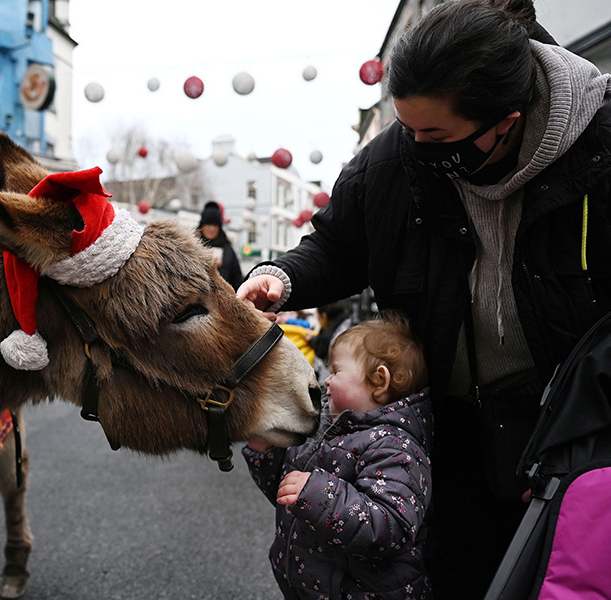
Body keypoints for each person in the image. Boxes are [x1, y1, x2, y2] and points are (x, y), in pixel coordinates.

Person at [236, 1, 611, 597]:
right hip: (447, 428)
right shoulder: (395, 162)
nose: (415, 145)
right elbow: (336, 246)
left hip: (567, 435)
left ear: (505, 122)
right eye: (407, 127)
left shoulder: (598, 150)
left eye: (434, 134)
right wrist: (282, 277)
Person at [243, 314, 432, 599]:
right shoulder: (331, 430)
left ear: (379, 380)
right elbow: (288, 490)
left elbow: (387, 527)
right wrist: (265, 453)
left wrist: (317, 494)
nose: (325, 380)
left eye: (336, 371)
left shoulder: (396, 448)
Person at [197, 201, 243, 290]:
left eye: (215, 225)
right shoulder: (193, 246)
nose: (211, 229)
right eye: (208, 224)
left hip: (223, 298)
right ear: (202, 225)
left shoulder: (228, 249)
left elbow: (237, 279)